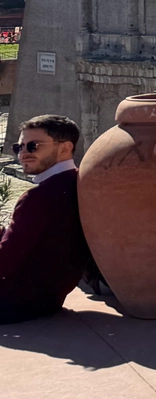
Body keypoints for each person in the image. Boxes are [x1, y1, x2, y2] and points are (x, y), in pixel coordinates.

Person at [0, 115, 99, 323]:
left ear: (64, 148)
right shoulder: (79, 184)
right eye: (19, 148)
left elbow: (4, 263)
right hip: (48, 298)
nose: (24, 154)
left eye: (33, 146)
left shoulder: (37, 199)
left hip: (14, 302)